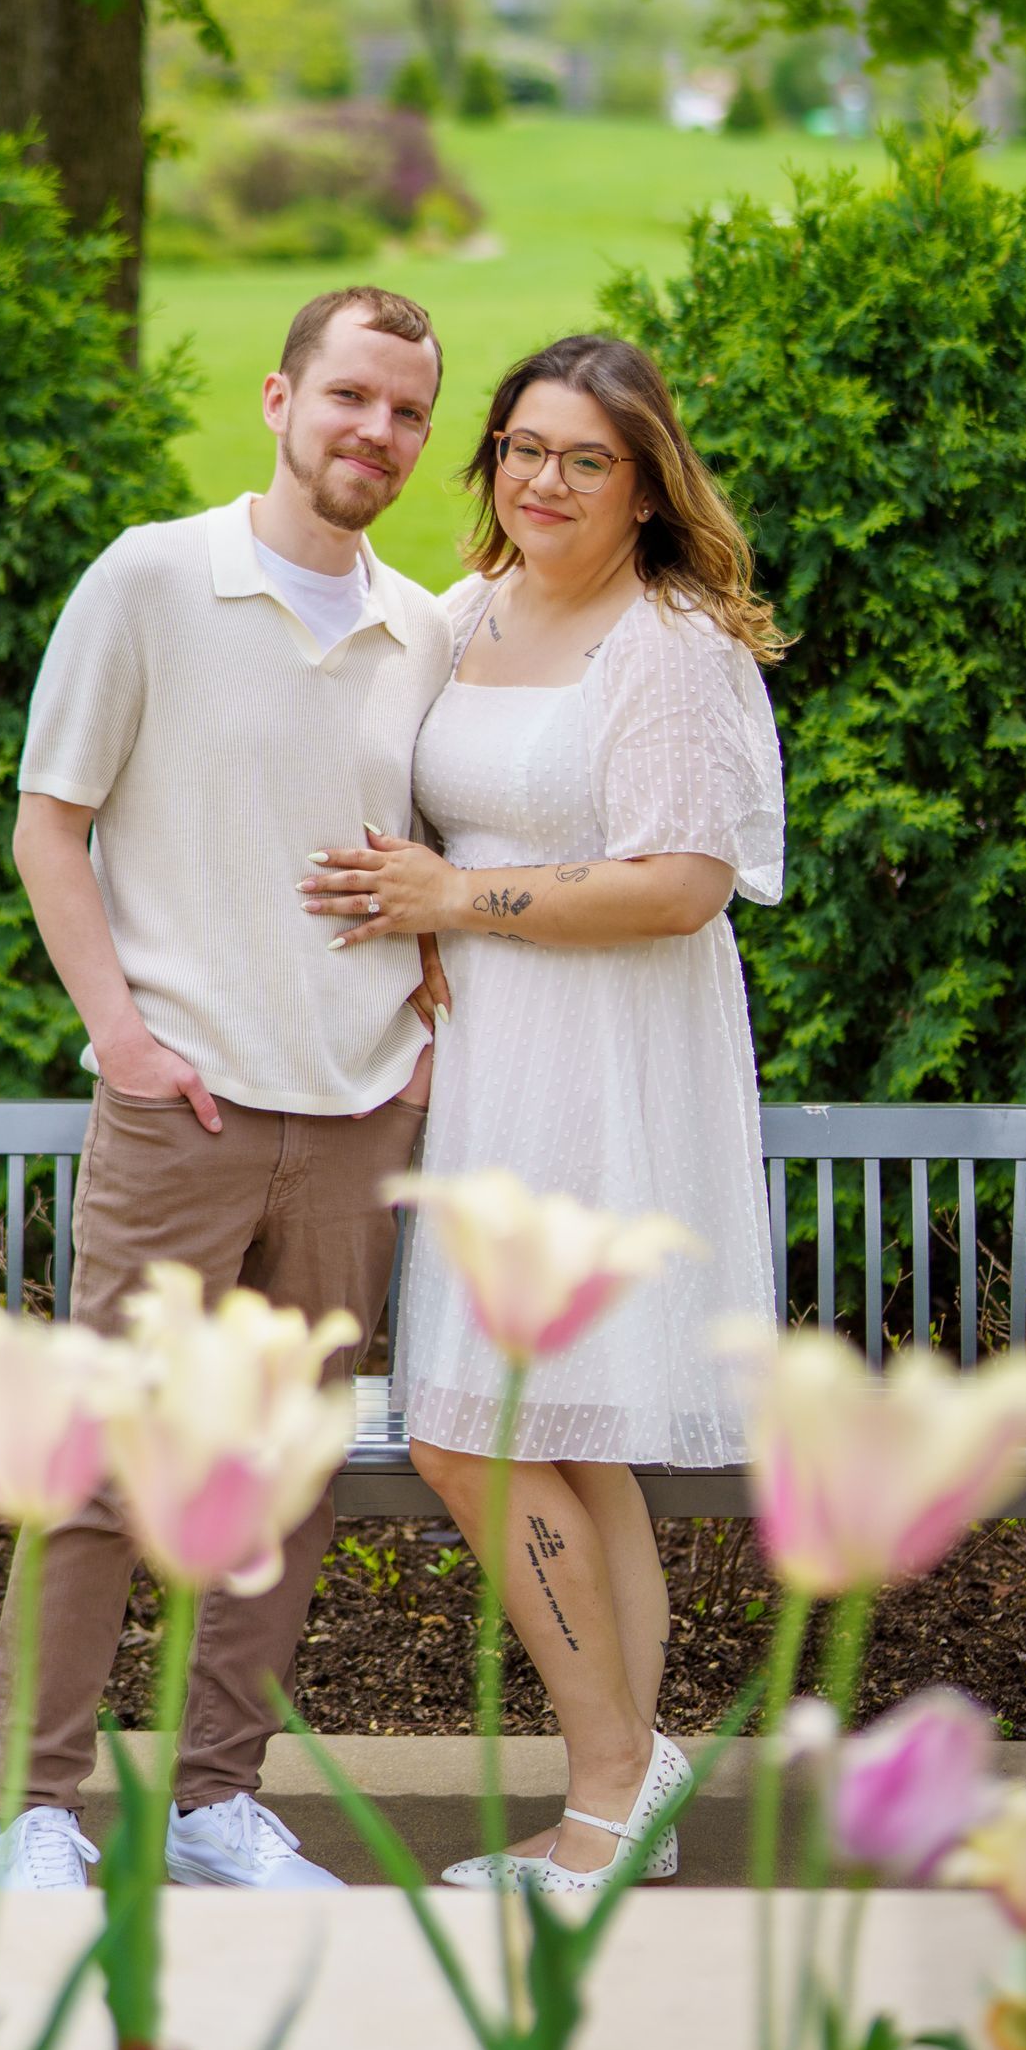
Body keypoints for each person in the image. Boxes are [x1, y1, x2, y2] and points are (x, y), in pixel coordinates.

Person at [300, 332, 785, 1891]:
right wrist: (423, 929)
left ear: (646, 485)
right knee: (555, 1436)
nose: (546, 480)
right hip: (497, 1067)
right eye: (522, 448)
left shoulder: (670, 645)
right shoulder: (463, 618)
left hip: (615, 1070)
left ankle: (611, 1782)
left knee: (472, 1435)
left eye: (587, 458)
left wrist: (461, 896)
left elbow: (681, 884)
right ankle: (618, 1794)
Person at [0, 284, 454, 1893]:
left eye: (406, 413)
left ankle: (208, 1809)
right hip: (179, 1111)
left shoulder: (428, 630)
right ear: (278, 399)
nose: (375, 435)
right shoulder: (150, 581)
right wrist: (121, 1033)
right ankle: (39, 1813)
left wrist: (430, 1011)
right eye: (349, 399)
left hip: (353, 1121)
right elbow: (52, 822)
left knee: (280, 1478)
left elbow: (443, 863)